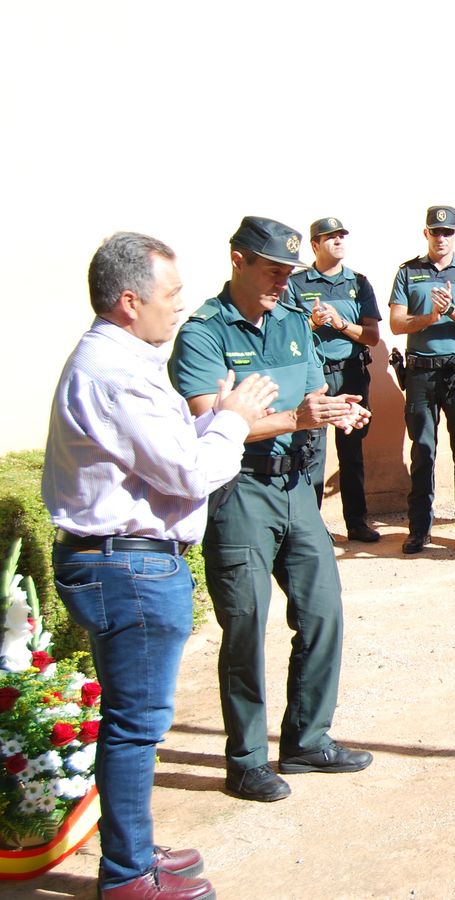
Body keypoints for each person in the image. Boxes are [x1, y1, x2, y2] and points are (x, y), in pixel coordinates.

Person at [45, 233, 276, 899]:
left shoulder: (123, 360)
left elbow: (169, 454)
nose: (178, 308)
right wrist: (231, 421)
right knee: (135, 726)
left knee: (134, 721)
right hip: (129, 569)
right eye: (169, 296)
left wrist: (221, 420)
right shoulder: (114, 372)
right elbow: (189, 473)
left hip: (131, 565)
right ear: (128, 301)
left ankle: (135, 850)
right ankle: (126, 876)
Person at [168, 217, 374, 802]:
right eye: (273, 272)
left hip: (295, 490)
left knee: (322, 611)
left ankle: (308, 740)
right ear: (238, 260)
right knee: (245, 625)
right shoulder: (204, 333)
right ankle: (247, 759)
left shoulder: (290, 320)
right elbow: (214, 422)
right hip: (239, 494)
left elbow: (313, 392)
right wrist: (292, 418)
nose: (284, 283)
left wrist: (337, 410)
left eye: (289, 273)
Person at [390, 206, 455, 554]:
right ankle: (420, 528)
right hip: (420, 371)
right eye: (436, 231)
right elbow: (397, 324)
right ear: (426, 234)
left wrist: (450, 311)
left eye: (447, 232)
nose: (442, 238)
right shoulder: (408, 273)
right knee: (422, 451)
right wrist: (431, 315)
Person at [285, 217, 381, 543]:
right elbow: (285, 336)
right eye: (330, 237)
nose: (339, 240)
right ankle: (312, 529)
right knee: (312, 453)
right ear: (315, 245)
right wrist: (310, 324)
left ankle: (357, 522)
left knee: (352, 451)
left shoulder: (359, 282)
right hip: (315, 379)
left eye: (342, 235)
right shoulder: (296, 285)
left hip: (352, 373)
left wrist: (340, 324)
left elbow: (371, 336)